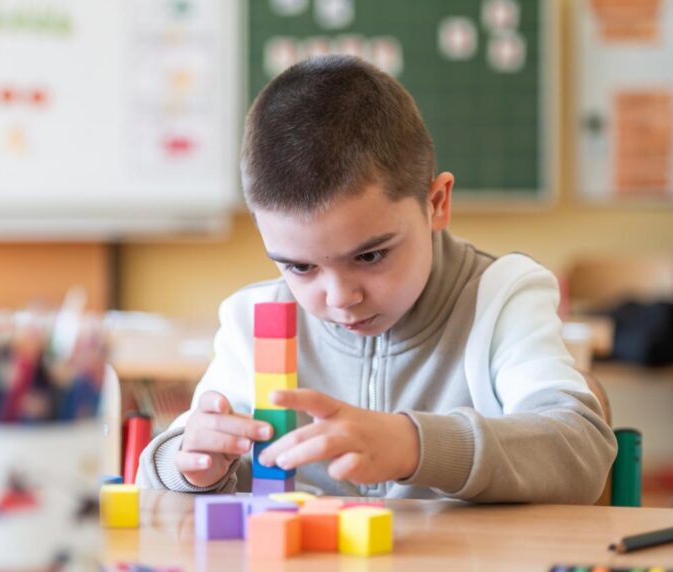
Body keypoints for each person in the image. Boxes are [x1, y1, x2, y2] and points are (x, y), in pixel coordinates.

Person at [136, 55, 616, 503]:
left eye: (370, 255)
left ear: (436, 203)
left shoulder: (502, 300)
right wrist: (189, 466)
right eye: (300, 267)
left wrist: (413, 444)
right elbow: (161, 480)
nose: (341, 297)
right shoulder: (256, 323)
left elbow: (581, 450)